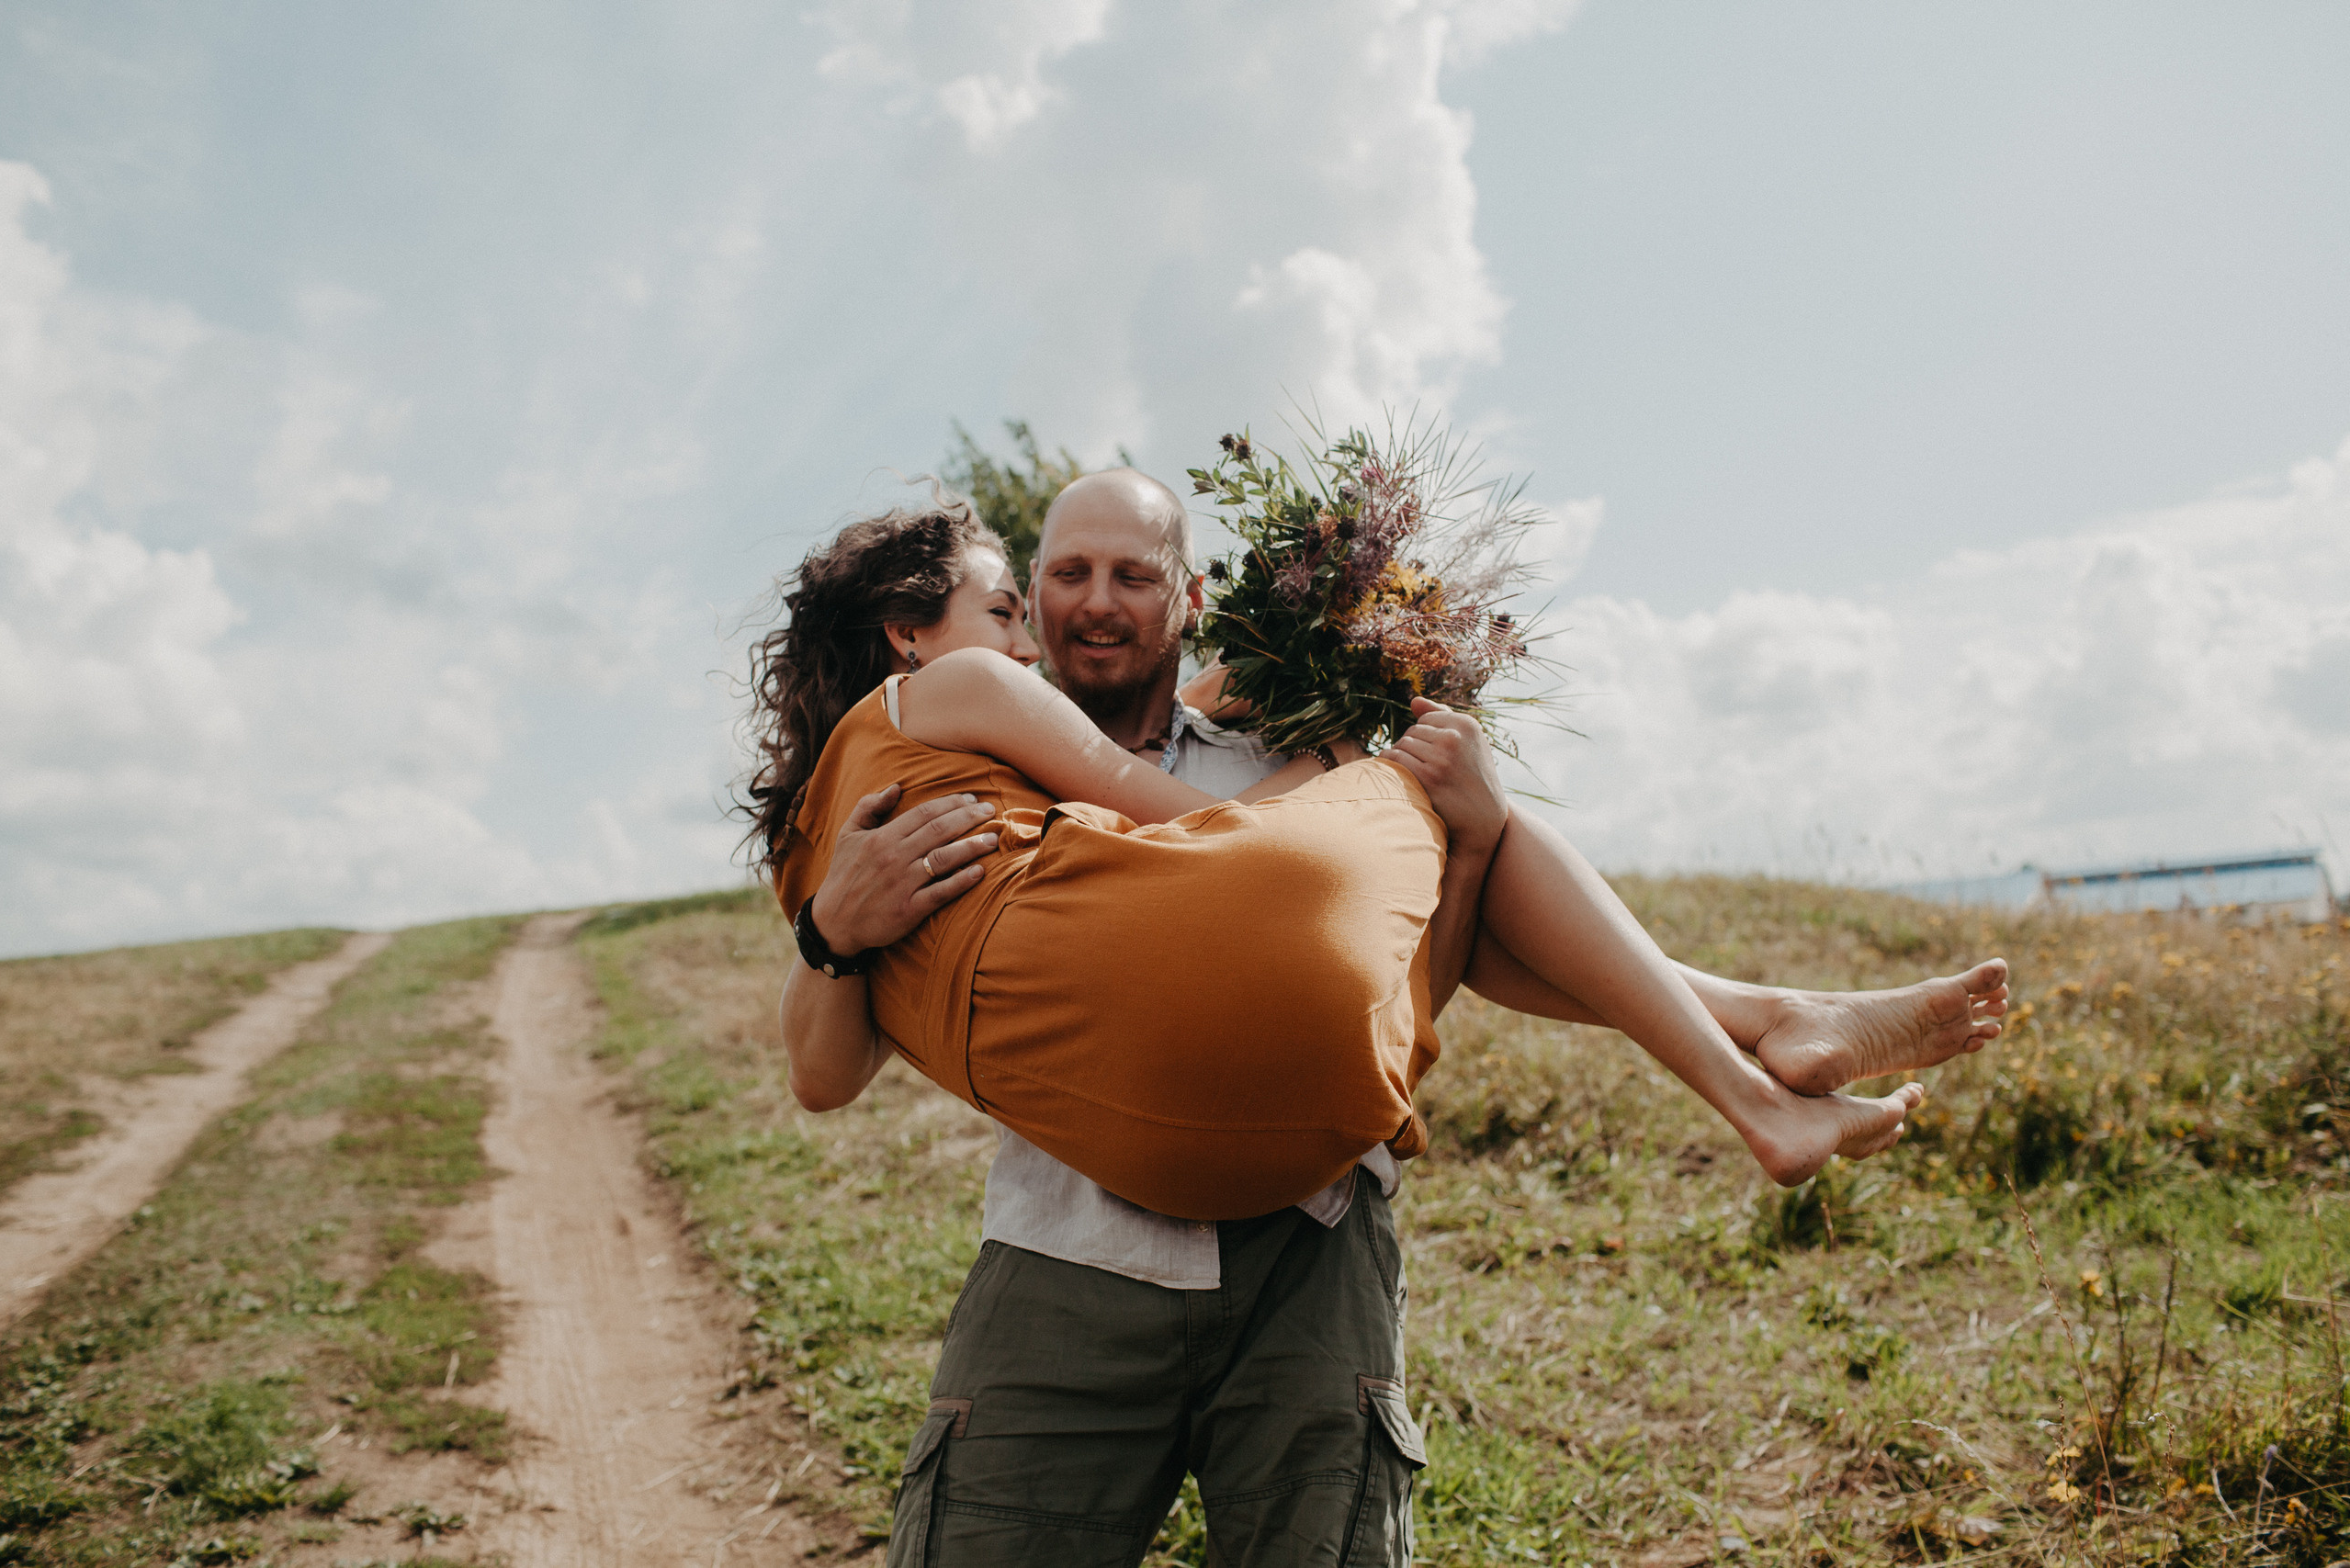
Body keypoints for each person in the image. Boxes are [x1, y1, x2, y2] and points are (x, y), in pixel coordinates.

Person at [746, 473, 2007, 1565]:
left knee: (1484, 826)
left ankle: (1773, 1041)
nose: (1091, 601)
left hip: (1312, 1250)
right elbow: (821, 1077)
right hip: (1070, 1265)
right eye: (1061, 574)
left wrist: (1459, 828)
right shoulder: (971, 777)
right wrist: (830, 934)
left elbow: (1405, 968)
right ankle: (1768, 1030)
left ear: (1187, 603)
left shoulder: (1275, 755)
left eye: (1134, 573)